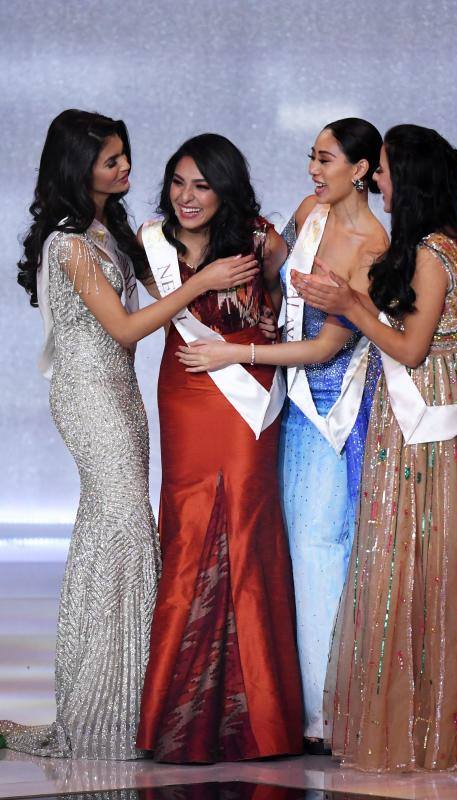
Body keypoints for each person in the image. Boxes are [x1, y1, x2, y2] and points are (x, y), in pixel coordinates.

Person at [293, 124, 457, 770]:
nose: (378, 181)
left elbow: (411, 349)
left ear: (406, 178)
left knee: (423, 569)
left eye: (383, 171)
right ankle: (438, 715)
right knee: (434, 569)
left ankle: (434, 727)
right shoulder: (438, 244)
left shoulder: (433, 251)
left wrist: (349, 304)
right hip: (427, 416)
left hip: (427, 425)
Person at [1, 110, 258, 760]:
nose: (126, 170)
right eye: (113, 160)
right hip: (90, 396)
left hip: (120, 395)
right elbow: (123, 327)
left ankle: (117, 701)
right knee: (122, 530)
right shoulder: (68, 244)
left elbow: (167, 290)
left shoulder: (107, 231)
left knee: (116, 532)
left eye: (123, 158)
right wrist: (201, 281)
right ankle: (101, 715)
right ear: (79, 166)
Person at [177, 119, 388, 752]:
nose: (312, 170)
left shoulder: (374, 245)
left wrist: (235, 354)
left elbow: (328, 345)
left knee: (323, 549)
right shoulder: (310, 214)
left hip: (331, 412)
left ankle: (330, 715)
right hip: (284, 401)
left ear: (360, 170)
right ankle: (293, 699)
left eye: (325, 160)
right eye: (311, 157)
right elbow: (268, 275)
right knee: (291, 548)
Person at [135, 133, 303, 763]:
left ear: (226, 187)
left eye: (202, 185)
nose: (187, 196)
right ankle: (176, 716)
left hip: (248, 401)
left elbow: (294, 311)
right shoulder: (151, 241)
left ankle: (259, 719)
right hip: (185, 393)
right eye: (178, 182)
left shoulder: (260, 238)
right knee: (187, 533)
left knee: (246, 531)